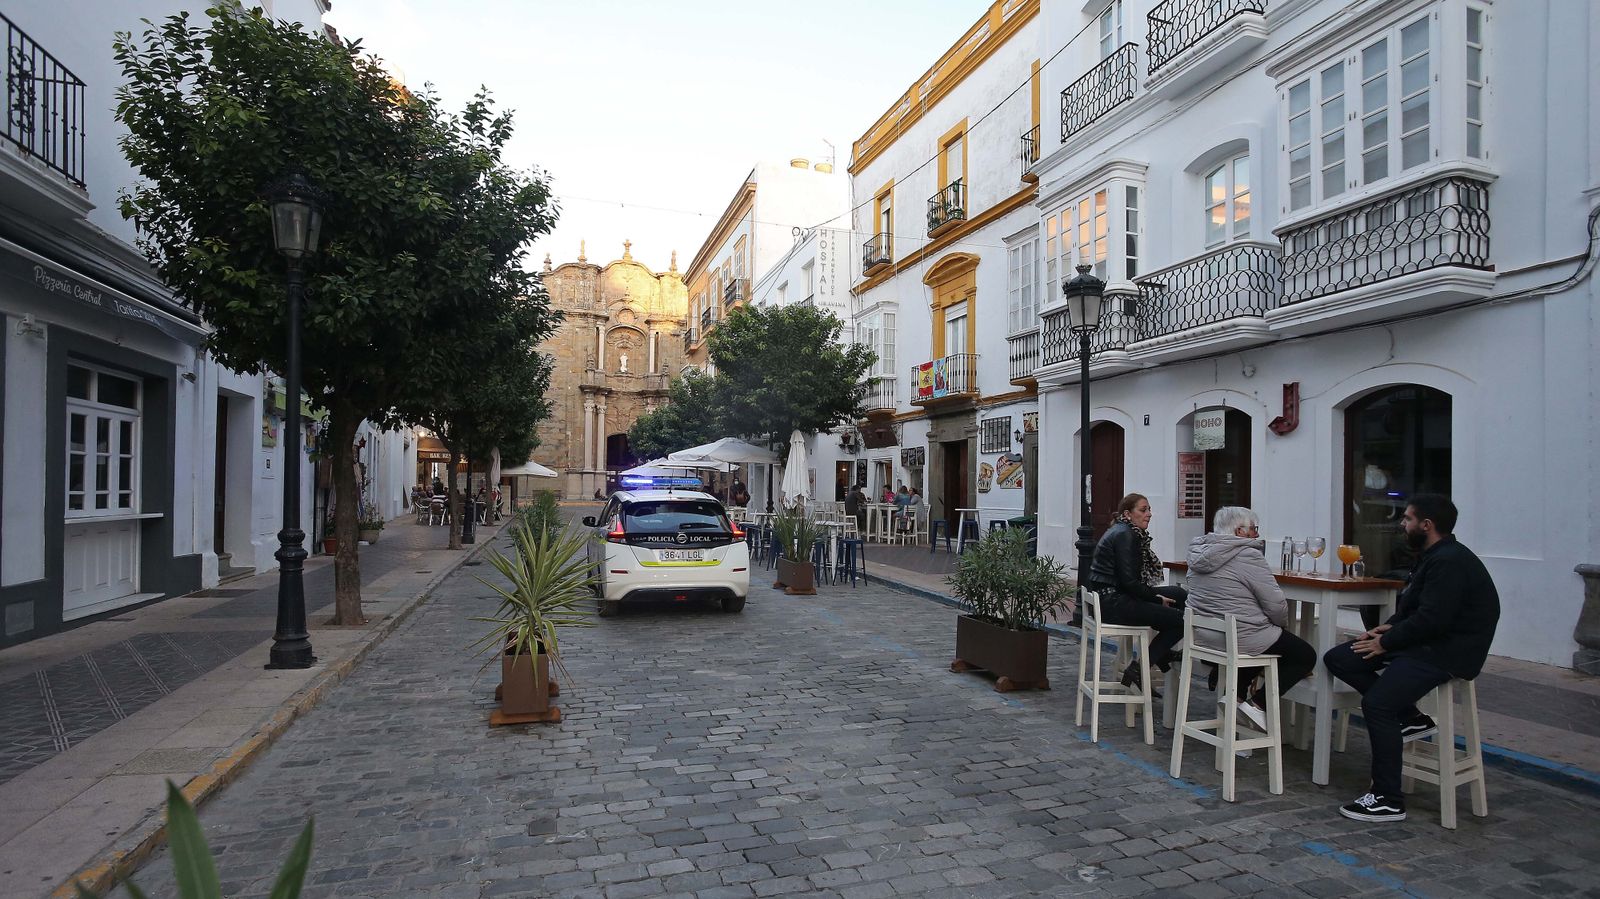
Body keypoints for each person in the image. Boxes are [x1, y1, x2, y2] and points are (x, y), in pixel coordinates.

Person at [1324, 494, 1499, 823]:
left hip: (1446, 652)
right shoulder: (1432, 557)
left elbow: (1434, 619)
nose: (1402, 525)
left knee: (1378, 704)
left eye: (1407, 519)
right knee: (1341, 658)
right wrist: (1384, 630)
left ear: (1427, 525)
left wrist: (1387, 643)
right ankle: (1411, 718)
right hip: (1423, 642)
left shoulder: (1450, 561)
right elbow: (1414, 610)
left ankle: (1387, 799)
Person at [1186, 506, 1317, 729]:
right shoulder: (1248, 555)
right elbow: (1275, 605)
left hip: (1208, 638)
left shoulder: (1198, 553)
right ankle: (1258, 705)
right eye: (1254, 529)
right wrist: (1280, 627)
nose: (1257, 534)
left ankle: (1234, 698)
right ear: (1240, 532)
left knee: (1261, 643)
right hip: (1239, 637)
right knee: (1304, 655)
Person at [1088, 493, 1187, 693]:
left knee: (1179, 593)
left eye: (1149, 509)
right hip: (1114, 602)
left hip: (1112, 597)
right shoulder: (1126, 535)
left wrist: (1156, 598)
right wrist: (1156, 598)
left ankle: (1161, 652)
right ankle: (1141, 667)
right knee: (1182, 621)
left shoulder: (1123, 530)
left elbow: (1129, 582)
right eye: (1143, 510)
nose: (1149, 514)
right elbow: (1130, 582)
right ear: (1127, 513)